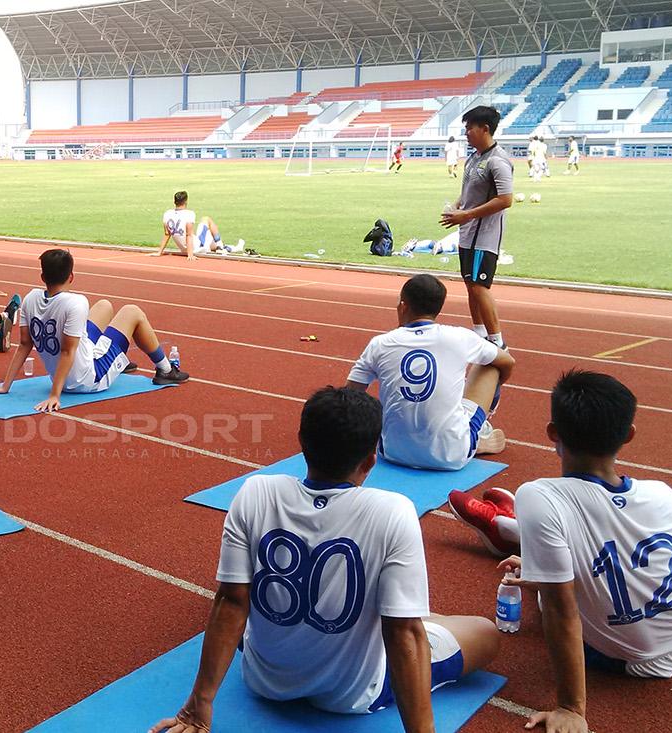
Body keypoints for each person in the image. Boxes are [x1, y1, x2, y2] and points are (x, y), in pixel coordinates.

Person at [150, 387, 500, 733]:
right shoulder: (393, 511)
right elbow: (403, 634)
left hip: (265, 679)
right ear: (370, 458)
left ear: (302, 441)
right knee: (484, 632)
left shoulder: (254, 492)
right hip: (351, 694)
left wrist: (200, 703)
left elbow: (231, 601)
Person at [458, 371, 672, 733]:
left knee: (551, 597)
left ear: (552, 433)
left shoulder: (540, 494)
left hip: (629, 658)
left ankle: (509, 530)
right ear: (629, 435)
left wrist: (571, 708)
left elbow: (561, 612)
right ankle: (517, 536)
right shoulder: (663, 493)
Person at [0, 248, 188, 412]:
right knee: (132, 311)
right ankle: (166, 370)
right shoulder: (76, 302)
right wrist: (55, 395)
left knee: (104, 305)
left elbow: (25, 344)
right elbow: (67, 351)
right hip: (88, 380)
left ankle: (117, 361)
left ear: (42, 276)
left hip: (63, 374)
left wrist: (5, 385)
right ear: (71, 276)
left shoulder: (30, 298)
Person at [345, 274, 515, 471]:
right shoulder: (460, 336)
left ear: (403, 306)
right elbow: (508, 361)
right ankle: (475, 429)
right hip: (451, 456)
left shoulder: (379, 344)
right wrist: (494, 391)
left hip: (391, 452)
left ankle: (461, 430)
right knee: (491, 363)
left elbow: (350, 396)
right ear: (438, 308)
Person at [440, 105, 513, 350]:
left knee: (480, 286)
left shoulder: (498, 161)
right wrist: (456, 206)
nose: (467, 133)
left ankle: (497, 341)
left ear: (485, 128)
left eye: (470, 127)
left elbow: (505, 200)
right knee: (471, 284)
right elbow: (468, 192)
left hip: (484, 235)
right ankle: (479, 333)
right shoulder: (473, 158)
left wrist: (467, 214)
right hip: (467, 233)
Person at [152, 191, 244, 259]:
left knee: (212, 245)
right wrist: (190, 254)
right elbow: (189, 235)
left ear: (174, 202)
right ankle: (221, 247)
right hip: (196, 247)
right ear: (185, 202)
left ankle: (226, 247)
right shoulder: (189, 214)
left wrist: (159, 252)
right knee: (206, 219)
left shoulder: (167, 214)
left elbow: (167, 234)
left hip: (184, 249)